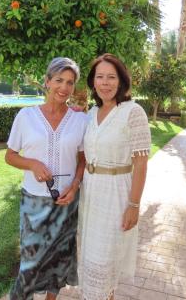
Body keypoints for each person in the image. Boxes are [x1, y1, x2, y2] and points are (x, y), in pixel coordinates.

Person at [5, 57, 87, 300]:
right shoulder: (25, 116)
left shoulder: (80, 120)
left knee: (59, 259)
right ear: (47, 81)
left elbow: (83, 160)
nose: (64, 88)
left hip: (67, 201)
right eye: (59, 80)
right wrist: (31, 163)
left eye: (70, 83)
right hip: (33, 201)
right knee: (30, 263)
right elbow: (10, 156)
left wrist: (74, 186)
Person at [78, 53, 151, 300]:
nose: (105, 83)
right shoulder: (90, 113)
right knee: (89, 258)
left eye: (111, 77)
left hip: (116, 193)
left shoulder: (133, 112)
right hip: (91, 193)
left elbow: (141, 162)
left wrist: (134, 204)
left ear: (121, 81)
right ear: (93, 81)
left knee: (105, 260)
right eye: (100, 77)